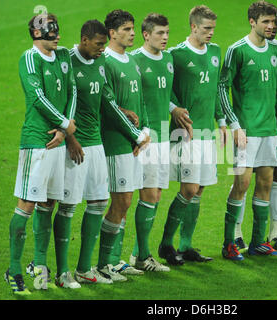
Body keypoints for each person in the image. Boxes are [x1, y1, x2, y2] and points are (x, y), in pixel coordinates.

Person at [52, 19, 142, 288]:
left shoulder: (101, 62)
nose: (103, 49)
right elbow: (59, 102)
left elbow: (107, 99)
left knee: (99, 202)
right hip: (74, 143)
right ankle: (62, 272)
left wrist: (131, 128)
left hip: (96, 142)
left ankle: (83, 268)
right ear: (84, 39)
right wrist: (70, 137)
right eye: (99, 44)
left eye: (105, 44)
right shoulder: (66, 60)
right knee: (68, 206)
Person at [5, 12, 77, 295]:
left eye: (57, 31)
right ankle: (12, 270)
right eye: (51, 32)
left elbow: (72, 93)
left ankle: (40, 266)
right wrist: (63, 124)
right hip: (37, 142)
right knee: (27, 204)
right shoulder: (29, 58)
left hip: (57, 142)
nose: (57, 36)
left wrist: (65, 130)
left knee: (49, 203)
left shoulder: (63, 58)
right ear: (37, 34)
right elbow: (36, 97)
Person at [158, 5, 227, 265]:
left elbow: (215, 91)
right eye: (206, 28)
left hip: (208, 131)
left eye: (213, 29)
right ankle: (166, 244)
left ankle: (186, 246)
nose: (210, 33)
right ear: (193, 27)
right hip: (184, 133)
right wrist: (173, 108)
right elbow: (162, 90)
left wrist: (222, 122)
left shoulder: (216, 52)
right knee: (188, 189)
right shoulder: (175, 54)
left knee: (200, 189)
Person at [219, 1, 277, 260]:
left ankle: (259, 242)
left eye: (274, 22)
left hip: (270, 130)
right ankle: (229, 244)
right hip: (245, 132)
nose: (271, 27)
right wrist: (234, 125)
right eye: (266, 22)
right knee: (242, 183)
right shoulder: (237, 50)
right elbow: (221, 88)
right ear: (252, 21)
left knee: (266, 184)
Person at [95, 9, 151, 281]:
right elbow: (108, 106)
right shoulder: (105, 61)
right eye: (126, 29)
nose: (131, 33)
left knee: (125, 201)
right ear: (112, 33)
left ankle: (114, 261)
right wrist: (135, 135)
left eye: (132, 29)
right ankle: (104, 263)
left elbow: (141, 100)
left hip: (134, 141)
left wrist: (147, 129)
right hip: (117, 142)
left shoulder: (132, 60)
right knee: (121, 200)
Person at [127, 13, 174, 272]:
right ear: (146, 35)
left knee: (155, 195)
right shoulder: (134, 60)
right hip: (145, 137)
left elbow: (162, 95)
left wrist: (175, 108)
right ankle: (142, 256)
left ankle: (138, 253)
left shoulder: (167, 59)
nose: (165, 37)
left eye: (167, 33)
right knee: (147, 194)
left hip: (164, 134)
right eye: (159, 33)